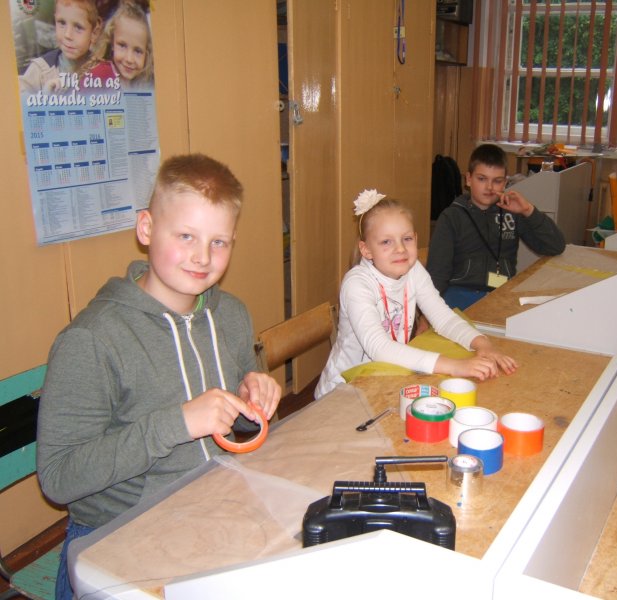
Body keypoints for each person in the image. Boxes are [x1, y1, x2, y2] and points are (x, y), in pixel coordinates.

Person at [36, 154, 282, 600]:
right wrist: (178, 423)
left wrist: (252, 394)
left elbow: (243, 418)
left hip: (214, 508)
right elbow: (59, 477)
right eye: (186, 236)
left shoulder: (230, 314)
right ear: (146, 229)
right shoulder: (92, 339)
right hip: (116, 536)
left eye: (219, 242)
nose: (202, 257)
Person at [315, 189, 517, 399]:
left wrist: (482, 344)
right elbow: (379, 348)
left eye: (407, 238)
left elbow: (443, 318)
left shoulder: (413, 270)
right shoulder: (356, 284)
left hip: (385, 378)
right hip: (343, 392)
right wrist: (454, 366)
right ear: (366, 250)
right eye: (386, 242)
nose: (400, 249)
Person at [427, 143, 566, 310]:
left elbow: (555, 246)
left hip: (501, 293)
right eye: (482, 179)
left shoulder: (512, 212)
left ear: (505, 183)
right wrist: (428, 314)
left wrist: (528, 210)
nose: (489, 187)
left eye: (497, 181)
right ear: (468, 179)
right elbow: (437, 274)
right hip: (459, 293)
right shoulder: (452, 217)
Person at [18, 0, 103, 94]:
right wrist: (44, 98)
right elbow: (17, 99)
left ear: (95, 32)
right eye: (62, 23)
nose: (67, 35)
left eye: (78, 27)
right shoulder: (40, 71)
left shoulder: (104, 69)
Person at [82, 0, 153, 89]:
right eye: (122, 46)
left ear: (146, 54)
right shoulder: (100, 75)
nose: (129, 59)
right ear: (112, 43)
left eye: (138, 51)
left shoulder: (143, 84)